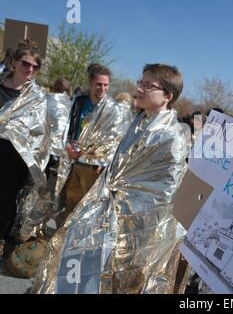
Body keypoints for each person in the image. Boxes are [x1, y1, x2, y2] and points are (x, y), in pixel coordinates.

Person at [35, 63, 190, 294]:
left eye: (149, 85)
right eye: (141, 82)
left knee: (125, 279)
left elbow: (166, 192)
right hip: (114, 213)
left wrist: (125, 209)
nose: (141, 88)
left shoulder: (173, 137)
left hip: (140, 225)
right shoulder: (139, 122)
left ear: (167, 95)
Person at [58, 63, 132, 227]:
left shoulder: (113, 109)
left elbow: (116, 141)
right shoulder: (79, 102)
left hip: (95, 168)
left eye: (106, 85)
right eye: (99, 84)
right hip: (74, 162)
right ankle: (61, 243)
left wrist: (106, 163)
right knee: (69, 204)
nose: (103, 88)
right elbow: (67, 128)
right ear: (91, 83)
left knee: (90, 209)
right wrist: (67, 146)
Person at [0, 40, 49, 257]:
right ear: (13, 63)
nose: (29, 69)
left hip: (16, 158)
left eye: (34, 66)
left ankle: (1, 239)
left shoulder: (37, 97)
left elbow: (40, 131)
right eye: (25, 63)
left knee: (7, 198)